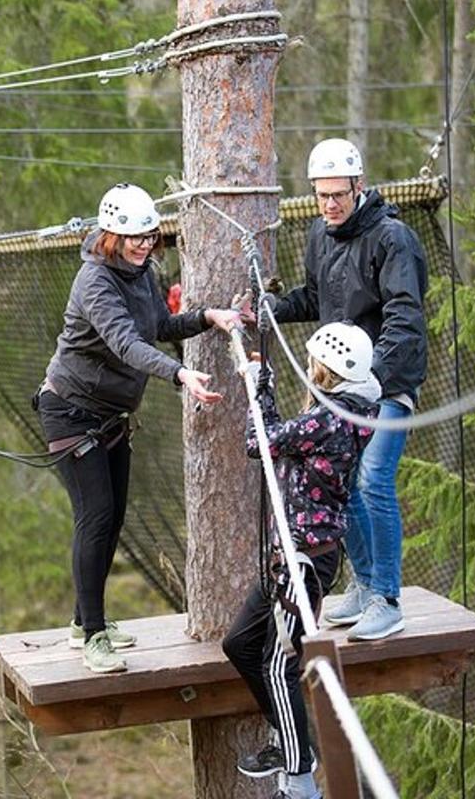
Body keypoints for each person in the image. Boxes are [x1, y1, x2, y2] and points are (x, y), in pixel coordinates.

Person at [38, 182, 242, 674]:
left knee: (114, 519)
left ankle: (82, 620)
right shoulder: (95, 283)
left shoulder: (142, 274)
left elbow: (158, 327)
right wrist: (178, 373)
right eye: (133, 237)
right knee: (96, 516)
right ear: (110, 235)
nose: (144, 244)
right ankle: (92, 636)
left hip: (110, 417)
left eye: (149, 235)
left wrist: (208, 317)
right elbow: (127, 343)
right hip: (70, 412)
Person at [242, 138, 428, 641]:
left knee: (371, 479)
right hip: (339, 388)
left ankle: (388, 598)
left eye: (338, 195)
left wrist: (374, 377)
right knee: (344, 485)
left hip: (388, 384)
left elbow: (405, 318)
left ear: (358, 186)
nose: (329, 205)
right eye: (321, 195)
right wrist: (273, 308)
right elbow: (315, 298)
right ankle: (365, 586)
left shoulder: (392, 239)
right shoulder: (319, 236)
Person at [223, 322, 380, 799]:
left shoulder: (329, 420)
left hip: (305, 560)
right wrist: (263, 383)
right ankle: (291, 741)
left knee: (278, 663)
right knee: (241, 645)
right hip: (286, 555)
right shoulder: (341, 411)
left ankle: (298, 782)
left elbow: (261, 443)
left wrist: (258, 387)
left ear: (326, 370)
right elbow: (283, 439)